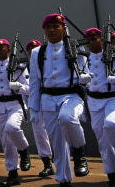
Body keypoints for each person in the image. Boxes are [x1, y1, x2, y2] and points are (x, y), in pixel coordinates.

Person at [29, 13, 90, 187]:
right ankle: (63, 180)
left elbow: (85, 72)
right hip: (48, 100)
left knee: (67, 117)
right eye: (48, 27)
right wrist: (33, 108)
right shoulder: (37, 53)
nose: (52, 30)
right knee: (57, 144)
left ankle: (79, 152)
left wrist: (87, 80)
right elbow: (34, 82)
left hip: (71, 96)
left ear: (64, 28)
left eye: (56, 26)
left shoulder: (75, 47)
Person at [79, 28, 115, 187]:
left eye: (94, 39)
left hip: (113, 99)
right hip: (94, 102)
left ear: (102, 40)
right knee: (103, 140)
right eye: (88, 40)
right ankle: (112, 174)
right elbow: (79, 84)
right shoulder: (83, 60)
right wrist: (82, 81)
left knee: (112, 124)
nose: (91, 42)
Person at [0, 39, 31, 187]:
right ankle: (12, 173)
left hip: (15, 104)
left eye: (3, 47)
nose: (0, 50)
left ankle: (24, 150)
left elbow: (30, 88)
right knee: (6, 142)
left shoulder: (19, 66)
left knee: (12, 128)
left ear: (8, 49)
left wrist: (19, 87)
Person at [24, 40, 54, 178]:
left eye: (35, 48)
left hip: (52, 99)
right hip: (36, 102)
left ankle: (60, 160)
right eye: (30, 48)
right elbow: (26, 88)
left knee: (55, 131)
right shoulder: (23, 67)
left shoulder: (49, 62)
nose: (32, 50)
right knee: (40, 134)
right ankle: (47, 164)